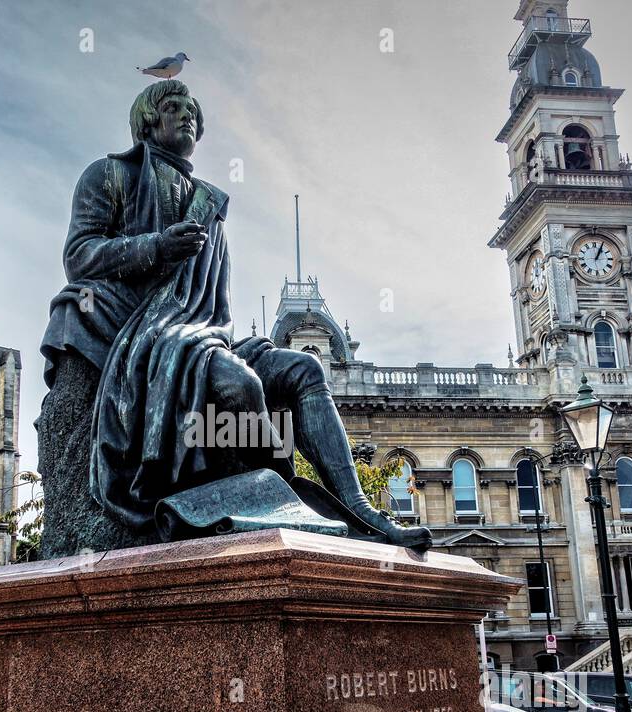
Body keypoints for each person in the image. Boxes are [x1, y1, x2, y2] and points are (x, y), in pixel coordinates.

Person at [40, 79, 430, 551]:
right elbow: (79, 255)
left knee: (304, 368)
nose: (187, 115)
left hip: (202, 335)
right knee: (238, 385)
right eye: (172, 106)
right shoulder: (108, 175)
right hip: (142, 336)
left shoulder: (210, 204)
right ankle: (272, 493)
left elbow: (210, 306)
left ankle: (360, 512)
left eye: (193, 109)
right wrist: (155, 248)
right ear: (147, 122)